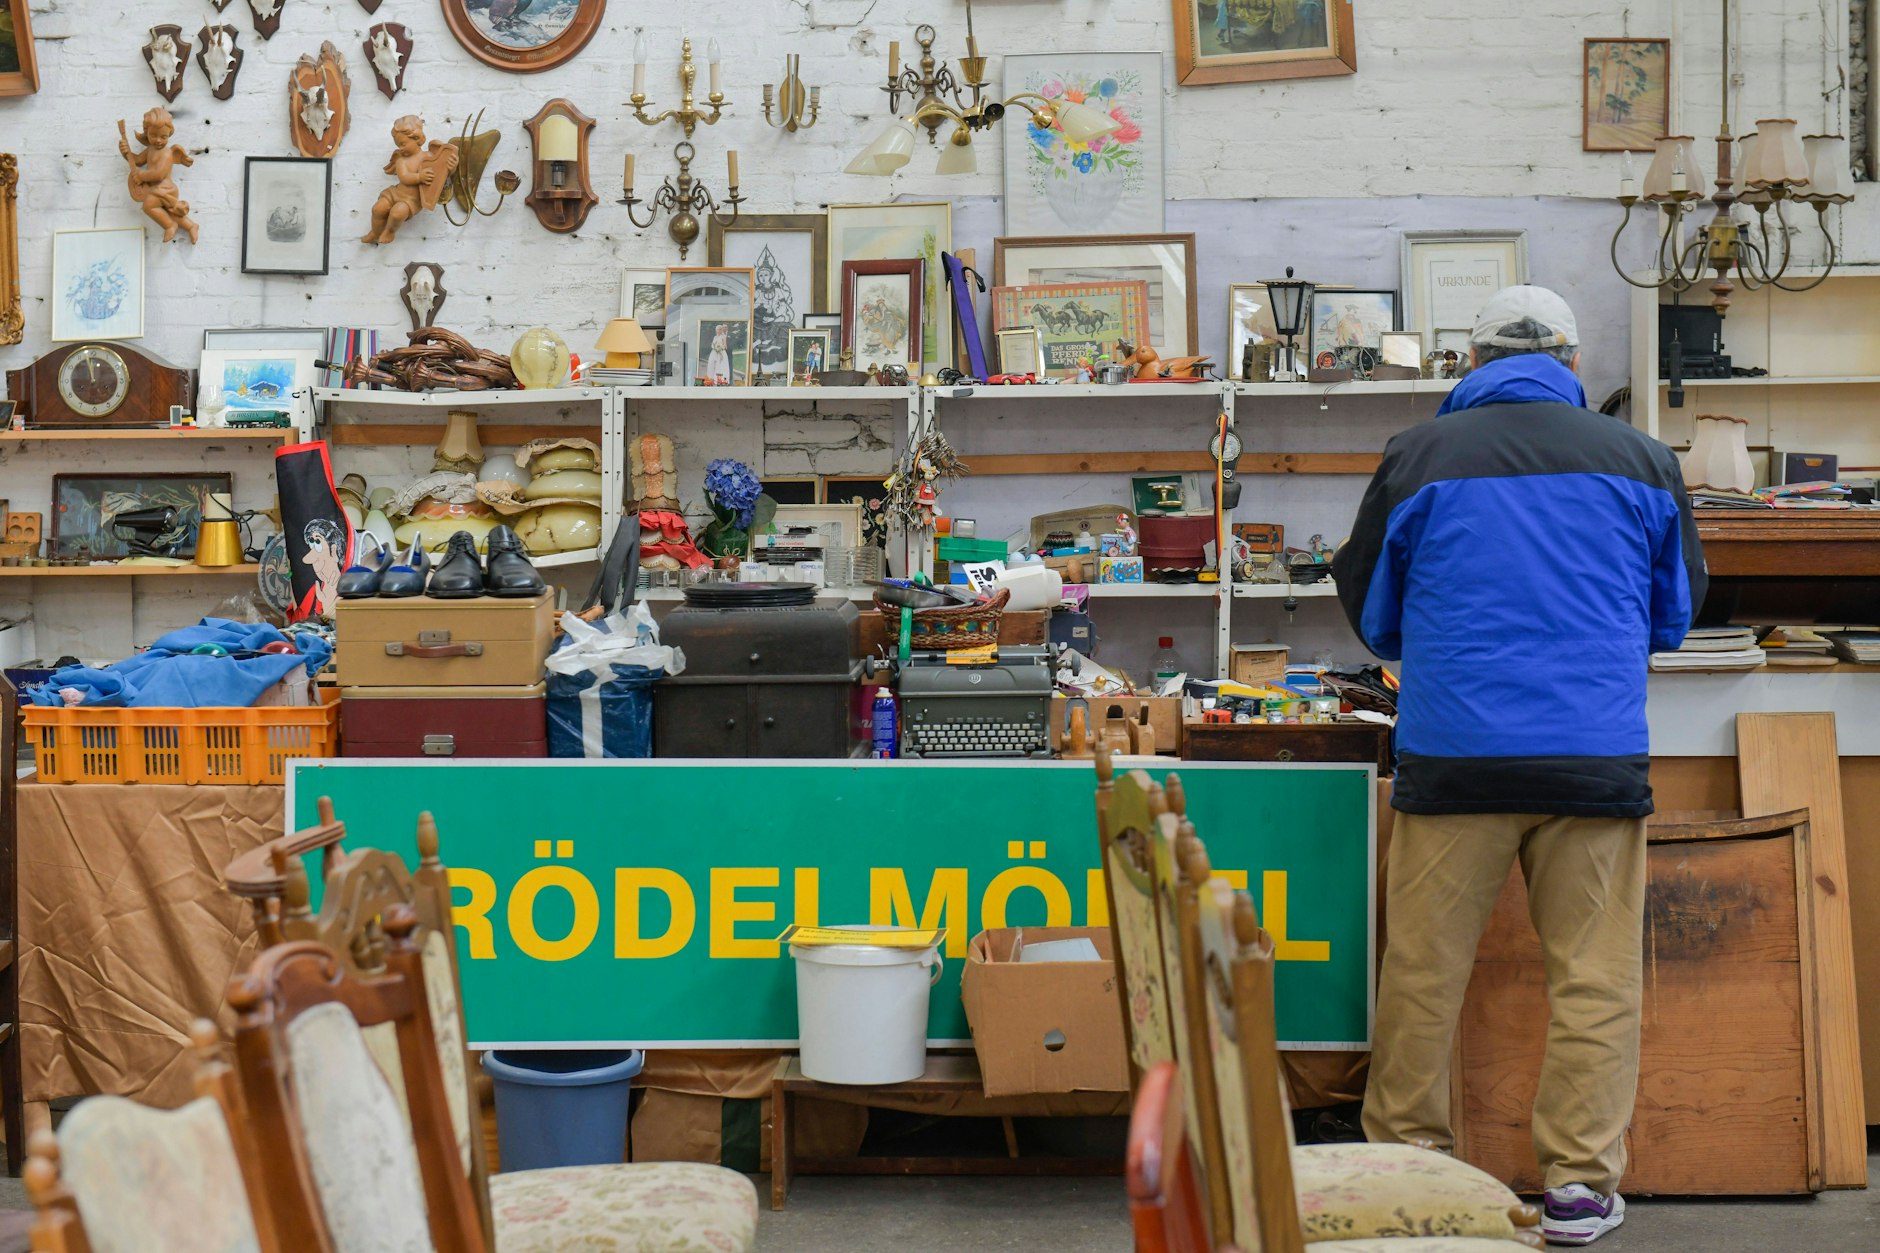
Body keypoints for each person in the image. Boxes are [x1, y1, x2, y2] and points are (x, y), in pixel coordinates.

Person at [1332, 286, 1705, 1247]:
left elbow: (1371, 610)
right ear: (1572, 364)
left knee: (1421, 972)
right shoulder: (1644, 460)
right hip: (1594, 758)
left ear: (1471, 362)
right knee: (1595, 979)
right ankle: (1579, 1188)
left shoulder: (1417, 457)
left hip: (1454, 758)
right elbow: (1673, 616)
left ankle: (1408, 1173)